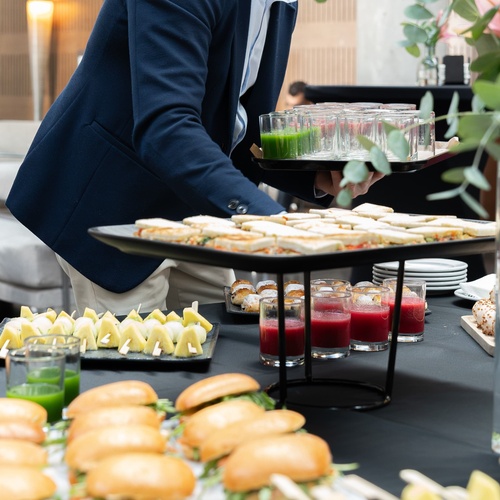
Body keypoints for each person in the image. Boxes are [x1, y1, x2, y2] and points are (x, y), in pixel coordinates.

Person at [6, 0, 383, 315]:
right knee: (143, 374)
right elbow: (166, 128)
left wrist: (315, 177)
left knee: (222, 353)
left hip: (194, 206)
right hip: (111, 198)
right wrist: (272, 222)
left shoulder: (282, 2)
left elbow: (238, 123)